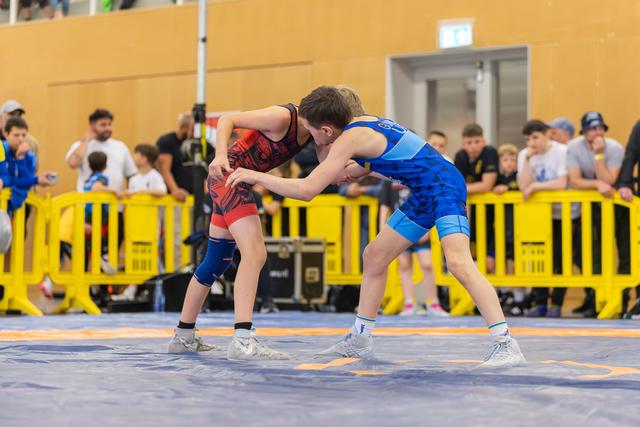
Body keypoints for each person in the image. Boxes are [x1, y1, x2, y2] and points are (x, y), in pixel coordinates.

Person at [227, 86, 526, 368]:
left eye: (310, 130)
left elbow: (308, 189)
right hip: (424, 191)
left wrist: (257, 176)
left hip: (444, 187)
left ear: (328, 129)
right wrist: (344, 164)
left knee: (459, 263)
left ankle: (506, 344)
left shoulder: (350, 139)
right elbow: (356, 168)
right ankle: (360, 338)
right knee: (374, 256)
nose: (307, 136)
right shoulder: (365, 126)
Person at [167, 102, 314, 361]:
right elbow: (227, 119)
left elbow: (328, 163)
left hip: (235, 180)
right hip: (230, 177)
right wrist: (220, 154)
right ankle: (243, 339)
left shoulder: (314, 131)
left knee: (215, 260)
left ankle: (183, 336)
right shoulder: (283, 117)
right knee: (255, 254)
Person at [517, 120, 579, 317]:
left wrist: (536, 187)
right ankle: (540, 301)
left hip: (565, 214)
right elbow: (522, 185)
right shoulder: (524, 154)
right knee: (538, 258)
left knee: (562, 258)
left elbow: (561, 182)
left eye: (535, 137)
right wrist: (527, 160)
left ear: (547, 135)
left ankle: (557, 303)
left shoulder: (562, 151)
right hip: (538, 214)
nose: (531, 142)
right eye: (527, 139)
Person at [567, 112, 624, 318]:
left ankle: (611, 299)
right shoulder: (574, 147)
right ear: (584, 132)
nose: (597, 133)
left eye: (600, 128)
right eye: (592, 129)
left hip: (611, 207)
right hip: (586, 207)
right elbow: (575, 180)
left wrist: (599, 156)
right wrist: (596, 184)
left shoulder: (615, 148)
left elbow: (609, 179)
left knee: (609, 251)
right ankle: (590, 295)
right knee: (583, 253)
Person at [378, 180, 449, 317]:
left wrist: (427, 228)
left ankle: (433, 303)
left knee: (427, 264)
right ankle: (409, 303)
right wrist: (383, 227)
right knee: (404, 265)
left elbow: (427, 200)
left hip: (419, 225)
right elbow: (384, 205)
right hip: (399, 227)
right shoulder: (388, 178)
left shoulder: (413, 173)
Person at [492, 143, 524, 316]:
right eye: (505, 160)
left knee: (514, 262)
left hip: (516, 225)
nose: (510, 163)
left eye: (513, 160)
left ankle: (519, 297)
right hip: (499, 226)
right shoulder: (495, 178)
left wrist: (508, 189)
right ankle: (504, 292)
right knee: (495, 260)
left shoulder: (519, 177)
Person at [0, 117, 54, 213]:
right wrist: (36, 180)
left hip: (17, 209)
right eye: (16, 135)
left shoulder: (29, 155)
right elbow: (8, 181)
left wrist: (20, 159)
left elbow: (27, 184)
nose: (21, 139)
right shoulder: (2, 149)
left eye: (24, 135)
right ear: (6, 134)